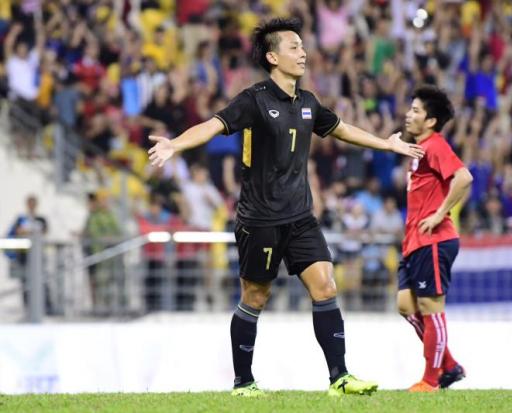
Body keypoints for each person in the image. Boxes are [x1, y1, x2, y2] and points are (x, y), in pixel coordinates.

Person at [147, 17, 424, 396]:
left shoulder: (308, 102)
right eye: (294, 47)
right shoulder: (253, 99)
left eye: (302, 45)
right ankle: (243, 382)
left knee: (325, 285)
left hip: (300, 216)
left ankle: (340, 378)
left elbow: (342, 128)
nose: (303, 52)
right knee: (255, 296)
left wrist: (386, 144)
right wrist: (174, 144)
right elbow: (213, 125)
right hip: (259, 219)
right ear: (273, 56)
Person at [397, 85, 473, 392]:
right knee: (406, 305)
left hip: (434, 240)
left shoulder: (435, 145)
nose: (408, 114)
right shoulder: (419, 150)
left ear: (430, 121)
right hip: (415, 241)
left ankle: (431, 379)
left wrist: (441, 212)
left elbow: (464, 177)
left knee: (431, 307)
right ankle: (450, 364)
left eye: (415, 110)